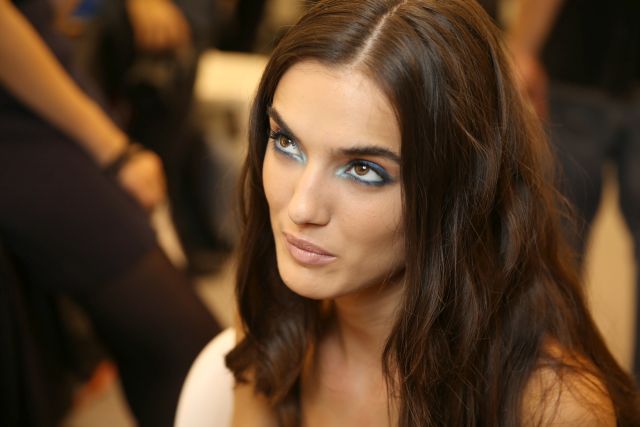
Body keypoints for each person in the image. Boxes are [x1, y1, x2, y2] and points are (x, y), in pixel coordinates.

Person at [223, 0, 640, 425]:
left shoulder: (557, 408)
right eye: (286, 142)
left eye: (363, 170)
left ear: (458, 188)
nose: (301, 207)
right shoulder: (271, 317)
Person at [0, 0, 219, 425]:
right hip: (20, 115)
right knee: (184, 343)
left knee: (167, 347)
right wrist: (115, 152)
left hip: (46, 72)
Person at [507, 0, 640, 383]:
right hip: (571, 81)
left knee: (558, 250)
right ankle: (556, 390)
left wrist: (523, 47)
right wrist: (524, 49)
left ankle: (554, 386)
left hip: (575, 75)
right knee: (557, 251)